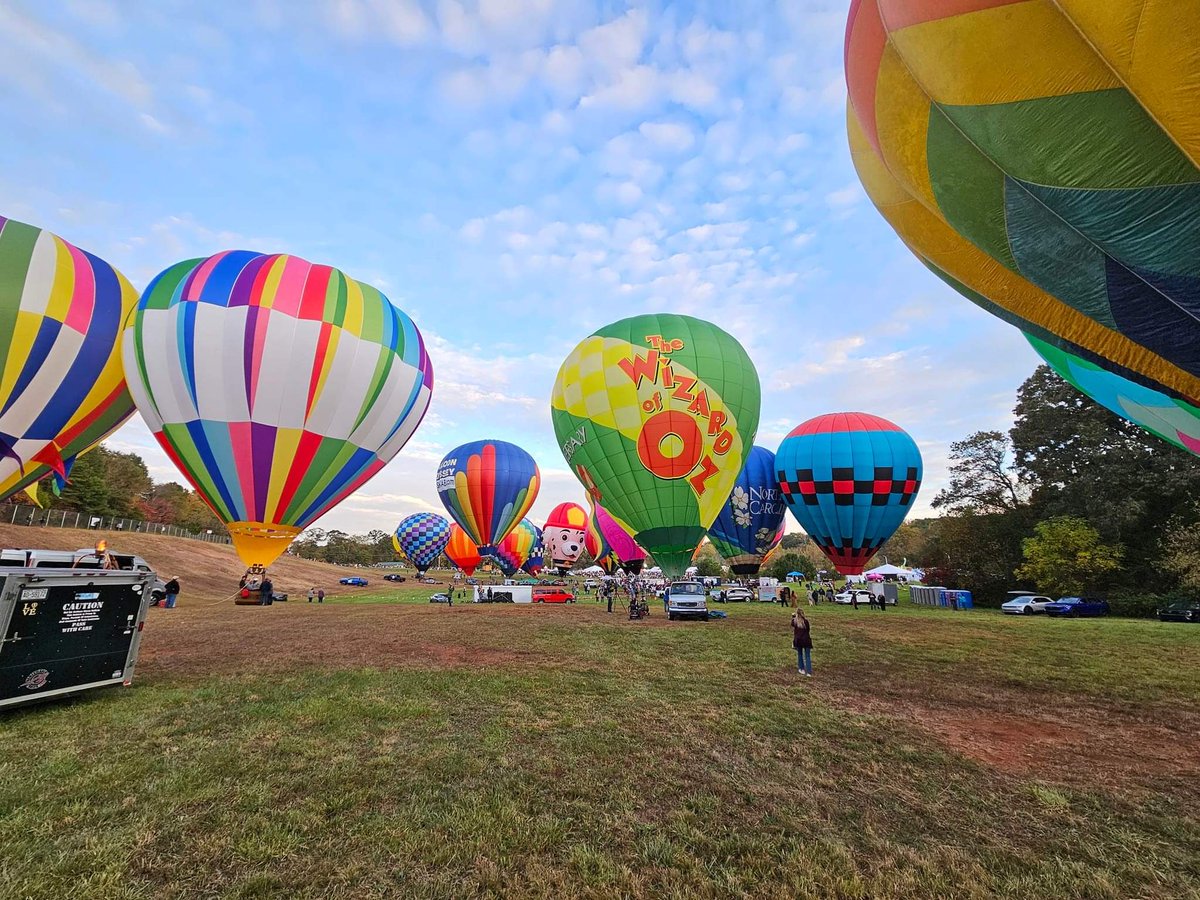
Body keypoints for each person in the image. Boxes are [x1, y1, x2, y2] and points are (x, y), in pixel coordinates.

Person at [791, 609, 812, 677]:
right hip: (806, 640)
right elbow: (808, 629)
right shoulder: (806, 622)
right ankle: (808, 672)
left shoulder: (795, 621)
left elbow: (792, 624)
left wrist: (793, 616)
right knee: (807, 656)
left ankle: (801, 668)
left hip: (798, 640)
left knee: (800, 654)